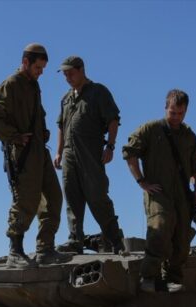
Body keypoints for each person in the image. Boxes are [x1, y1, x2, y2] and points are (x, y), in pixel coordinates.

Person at [0, 44, 69, 266]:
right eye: (38, 67)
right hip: (23, 153)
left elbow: (36, 114)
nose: (41, 72)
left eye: (43, 68)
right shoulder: (12, 84)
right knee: (26, 200)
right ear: (26, 62)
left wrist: (43, 131)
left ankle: (45, 249)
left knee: (54, 197)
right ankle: (15, 250)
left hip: (40, 151)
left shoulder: (33, 86)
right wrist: (13, 136)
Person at [122, 89, 196, 293]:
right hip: (158, 191)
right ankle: (149, 277)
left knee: (183, 237)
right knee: (160, 227)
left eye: (181, 113)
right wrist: (141, 181)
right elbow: (129, 153)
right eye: (172, 112)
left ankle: (173, 277)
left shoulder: (188, 135)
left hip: (182, 194)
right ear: (165, 108)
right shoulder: (150, 129)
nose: (176, 117)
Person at [53, 55, 126, 255]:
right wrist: (58, 151)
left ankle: (115, 240)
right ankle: (75, 240)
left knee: (97, 197)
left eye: (71, 73)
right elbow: (61, 126)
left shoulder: (98, 92)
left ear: (82, 70)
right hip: (69, 153)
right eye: (65, 74)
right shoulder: (66, 98)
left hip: (90, 152)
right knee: (72, 196)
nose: (67, 77)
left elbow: (112, 120)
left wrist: (110, 146)